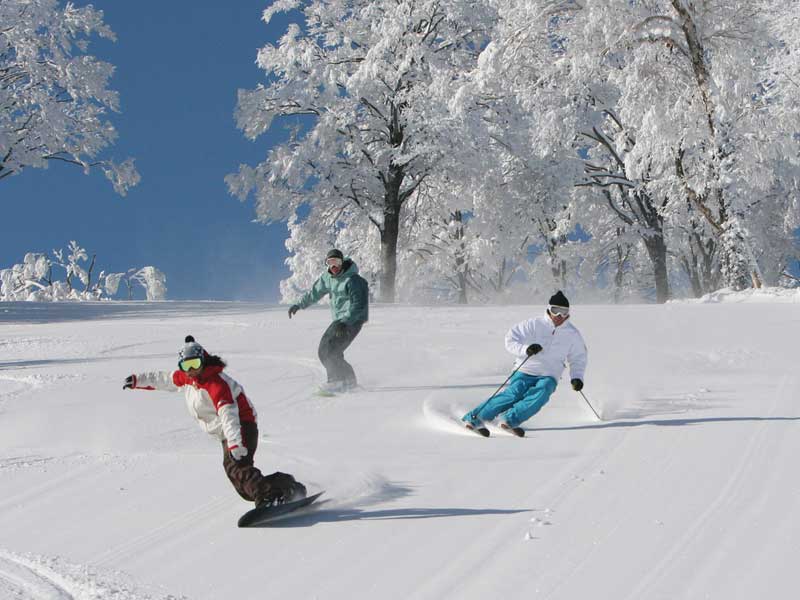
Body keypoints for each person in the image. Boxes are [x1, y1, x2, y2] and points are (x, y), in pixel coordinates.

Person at [123, 335, 306, 507]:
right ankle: (285, 485)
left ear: (203, 360)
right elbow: (163, 379)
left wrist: (235, 444)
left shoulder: (216, 384)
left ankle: (270, 496)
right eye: (187, 366)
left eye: (195, 364)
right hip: (226, 432)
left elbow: (229, 414)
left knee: (238, 469)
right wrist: (137, 380)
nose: (192, 370)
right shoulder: (186, 378)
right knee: (241, 485)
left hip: (241, 426)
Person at [462, 291, 588, 437]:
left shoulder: (572, 334)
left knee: (542, 393)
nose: (559, 316)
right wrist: (525, 349)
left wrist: (577, 377)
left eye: (563, 312)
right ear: (549, 309)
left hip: (549, 374)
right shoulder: (533, 324)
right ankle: (475, 418)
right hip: (526, 369)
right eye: (556, 310)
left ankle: (509, 419)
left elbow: (578, 357)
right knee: (513, 394)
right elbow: (510, 339)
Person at [288, 248, 369, 393]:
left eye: (337, 262)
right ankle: (346, 380)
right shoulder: (328, 278)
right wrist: (299, 304)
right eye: (330, 263)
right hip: (339, 321)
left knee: (331, 351)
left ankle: (338, 381)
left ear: (342, 262)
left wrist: (346, 321)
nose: (334, 266)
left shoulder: (354, 280)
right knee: (324, 350)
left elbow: (359, 305)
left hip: (353, 320)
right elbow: (315, 293)